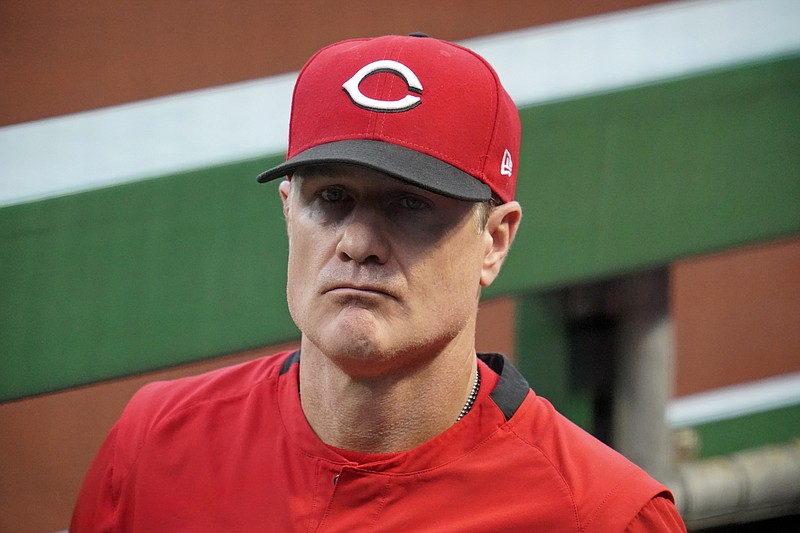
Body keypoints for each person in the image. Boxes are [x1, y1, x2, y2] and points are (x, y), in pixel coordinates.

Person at [71, 34, 686, 532]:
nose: (358, 242)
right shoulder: (155, 445)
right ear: (288, 210)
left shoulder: (601, 516)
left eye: (410, 205)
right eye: (331, 198)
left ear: (494, 241)